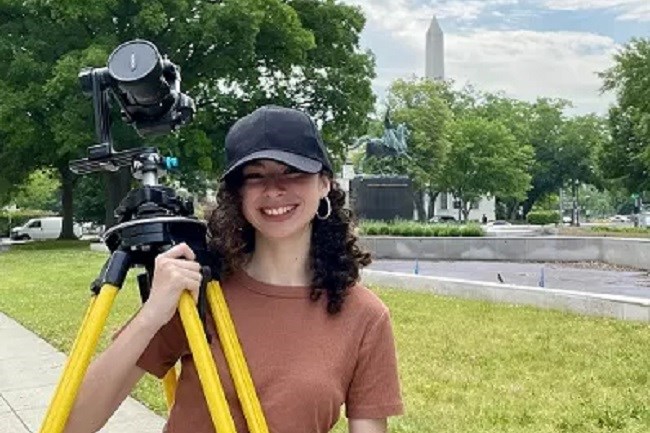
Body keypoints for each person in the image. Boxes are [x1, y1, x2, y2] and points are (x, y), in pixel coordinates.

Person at [62, 105, 404, 433]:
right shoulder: (198, 291)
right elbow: (71, 424)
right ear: (237, 195)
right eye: (255, 176)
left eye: (293, 172)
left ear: (324, 184)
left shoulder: (366, 317)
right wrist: (152, 314)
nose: (274, 189)